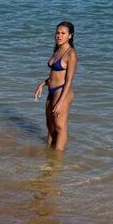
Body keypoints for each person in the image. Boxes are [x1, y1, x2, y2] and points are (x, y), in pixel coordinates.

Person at [34, 20, 78, 151]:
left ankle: (58, 157)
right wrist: (43, 83)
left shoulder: (70, 53)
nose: (59, 36)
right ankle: (48, 153)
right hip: (51, 91)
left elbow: (69, 79)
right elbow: (56, 75)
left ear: (70, 35)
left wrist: (61, 101)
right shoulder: (58, 50)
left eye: (63, 33)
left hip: (62, 91)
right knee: (50, 126)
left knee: (60, 127)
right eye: (57, 33)